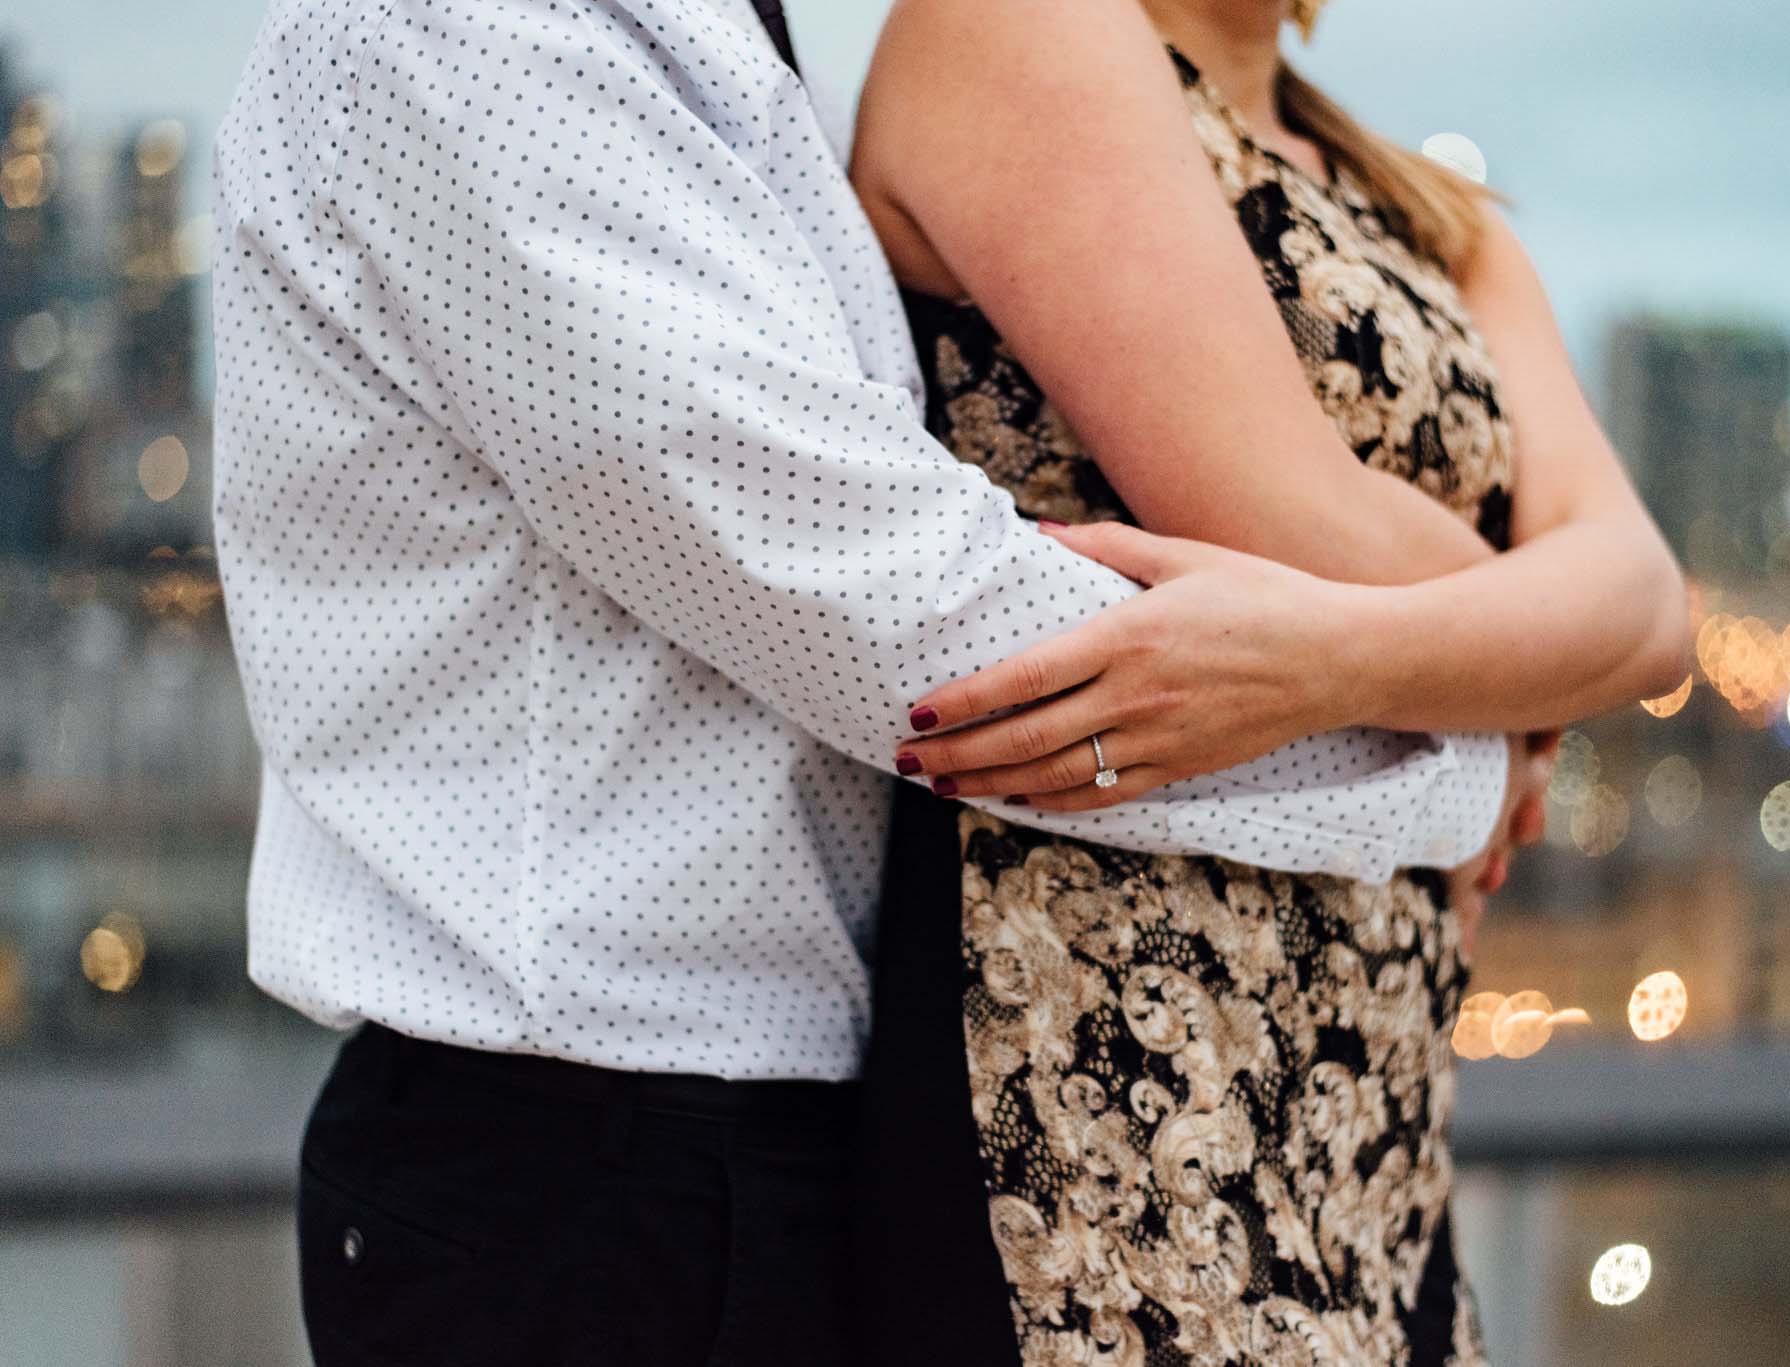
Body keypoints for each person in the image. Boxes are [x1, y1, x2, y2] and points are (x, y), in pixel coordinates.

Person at [207, 1, 1604, 1364]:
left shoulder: (735, 57)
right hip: (574, 1151)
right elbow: (907, 627)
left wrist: (1458, 691)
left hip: (771, 1133)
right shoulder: (462, 37)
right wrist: (1459, 749)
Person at [845, 0, 1687, 1362]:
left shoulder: (1434, 211)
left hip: (1380, 1091)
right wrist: (1513, 669)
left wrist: (1341, 659)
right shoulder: (1015, 25)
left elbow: (1650, 605)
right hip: (1103, 1047)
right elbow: (1298, 521)